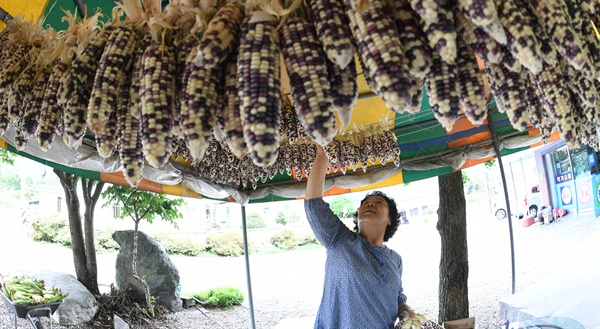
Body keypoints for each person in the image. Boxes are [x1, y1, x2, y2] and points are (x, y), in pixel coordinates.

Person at [304, 145, 414, 329]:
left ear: (390, 219)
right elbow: (313, 205)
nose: (370, 204)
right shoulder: (339, 240)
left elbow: (398, 299)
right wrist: (322, 154)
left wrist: (407, 312)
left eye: (379, 203)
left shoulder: (395, 259)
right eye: (366, 203)